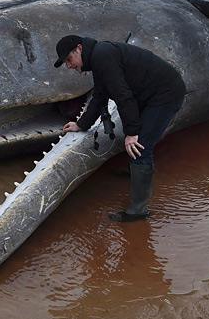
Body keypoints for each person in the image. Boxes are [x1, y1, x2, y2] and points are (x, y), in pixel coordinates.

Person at [55, 35, 185, 221]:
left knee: (140, 146)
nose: (69, 65)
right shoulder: (98, 57)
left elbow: (123, 96)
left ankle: (138, 211)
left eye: (69, 59)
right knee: (135, 138)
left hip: (165, 94)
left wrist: (132, 133)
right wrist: (81, 124)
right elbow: (100, 95)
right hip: (149, 94)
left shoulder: (102, 56)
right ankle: (137, 171)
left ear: (79, 48)